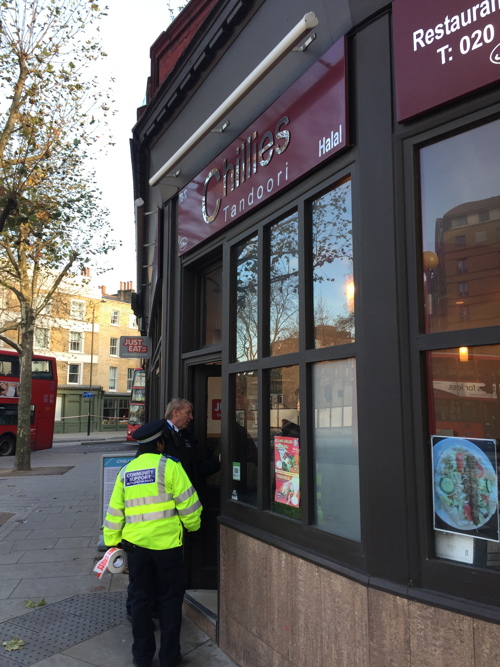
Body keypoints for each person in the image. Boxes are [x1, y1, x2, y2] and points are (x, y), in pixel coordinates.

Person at [103, 419, 202, 667]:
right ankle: (169, 657)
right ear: (160, 443)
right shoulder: (170, 467)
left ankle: (142, 656)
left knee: (139, 601)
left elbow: (115, 512)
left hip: (137, 549)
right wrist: (193, 528)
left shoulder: (126, 471)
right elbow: (189, 507)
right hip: (168, 548)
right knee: (169, 601)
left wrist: (112, 543)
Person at [163, 398, 220, 490]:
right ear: (175, 412)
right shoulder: (160, 434)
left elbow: (196, 468)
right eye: (187, 413)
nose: (191, 417)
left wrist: (219, 461)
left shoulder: (186, 436)